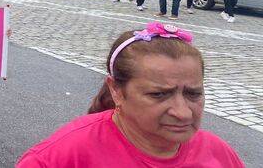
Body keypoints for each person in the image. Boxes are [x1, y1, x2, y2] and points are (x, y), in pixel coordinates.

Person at [17, 22, 243, 167]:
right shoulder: (60, 158)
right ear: (116, 90)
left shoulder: (219, 154)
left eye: (193, 94)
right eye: (159, 95)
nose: (183, 113)